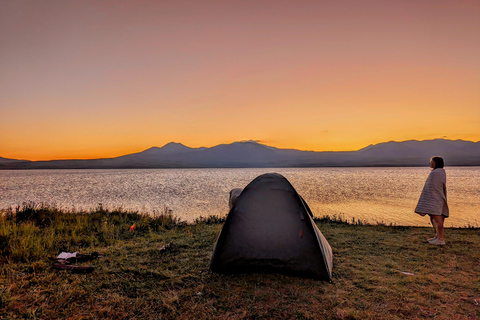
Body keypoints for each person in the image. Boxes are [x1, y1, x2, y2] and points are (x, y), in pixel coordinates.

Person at [415, 156, 449, 245]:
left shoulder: (436, 173)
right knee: (433, 218)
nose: (430, 163)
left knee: (438, 219)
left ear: (435, 163)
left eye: (431, 162)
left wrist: (431, 198)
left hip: (436, 199)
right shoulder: (438, 172)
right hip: (435, 198)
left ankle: (441, 239)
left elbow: (434, 188)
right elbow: (430, 187)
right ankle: (437, 236)